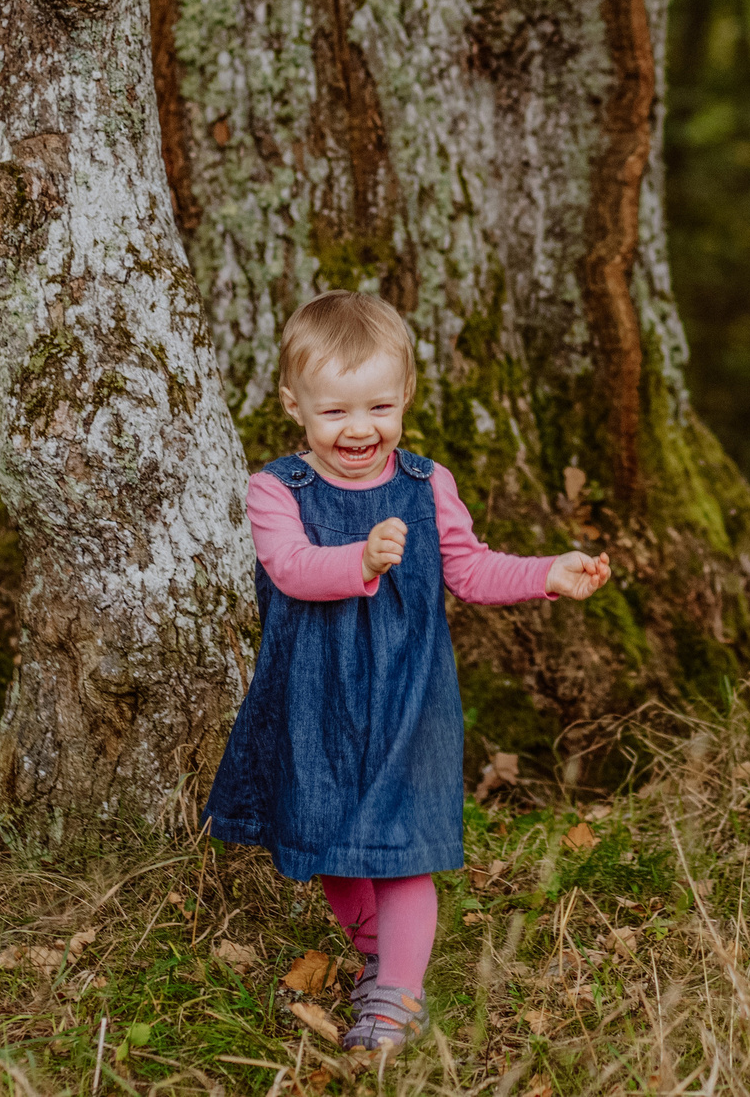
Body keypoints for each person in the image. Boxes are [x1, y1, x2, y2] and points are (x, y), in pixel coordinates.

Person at [202, 290, 613, 1054]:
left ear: (406, 398)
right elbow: (290, 569)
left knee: (400, 853)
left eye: (379, 407)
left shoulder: (428, 485)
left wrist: (547, 573)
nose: (359, 429)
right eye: (335, 413)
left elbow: (471, 568)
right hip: (312, 701)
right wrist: (356, 560)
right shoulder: (276, 490)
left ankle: (399, 994)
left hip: (409, 697)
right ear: (294, 405)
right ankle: (373, 953)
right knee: (326, 846)